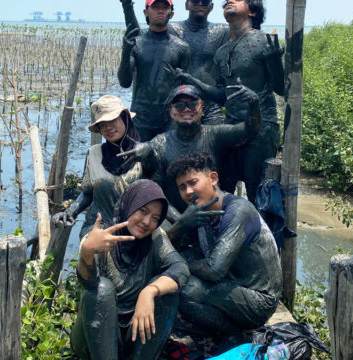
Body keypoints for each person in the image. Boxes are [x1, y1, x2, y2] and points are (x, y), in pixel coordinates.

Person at [169, 0, 285, 201]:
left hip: (261, 129)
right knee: (222, 190)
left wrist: (274, 61)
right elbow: (222, 96)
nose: (230, 1)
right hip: (232, 129)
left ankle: (260, 233)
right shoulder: (222, 51)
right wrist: (191, 80)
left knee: (257, 191)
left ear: (252, 11)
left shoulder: (262, 41)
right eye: (228, 0)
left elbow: (281, 89)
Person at [165, 152, 282, 337]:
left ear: (213, 178)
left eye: (193, 183)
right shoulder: (202, 211)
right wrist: (181, 225)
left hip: (258, 300)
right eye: (182, 187)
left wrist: (180, 266)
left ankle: (233, 335)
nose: (188, 192)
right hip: (232, 284)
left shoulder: (237, 211)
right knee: (177, 261)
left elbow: (214, 269)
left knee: (188, 289)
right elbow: (173, 249)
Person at [71, 180, 189, 360]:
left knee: (167, 291)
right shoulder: (104, 236)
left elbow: (180, 268)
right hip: (93, 341)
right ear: (130, 204)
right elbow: (88, 283)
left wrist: (149, 292)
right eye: (143, 211)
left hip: (134, 334)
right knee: (101, 289)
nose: (147, 222)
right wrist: (87, 251)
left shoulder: (155, 237)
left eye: (156, 218)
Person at [118, 84, 260, 215]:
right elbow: (154, 191)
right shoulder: (160, 143)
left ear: (201, 108)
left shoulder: (216, 134)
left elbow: (249, 131)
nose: (186, 109)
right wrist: (147, 150)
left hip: (212, 213)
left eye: (192, 104)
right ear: (171, 113)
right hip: (175, 217)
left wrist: (253, 103)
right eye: (180, 106)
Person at [115, 0, 229, 125]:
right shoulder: (172, 29)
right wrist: (127, 6)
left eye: (205, 0)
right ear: (186, 4)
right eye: (195, 0)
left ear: (212, 6)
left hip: (210, 105)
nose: (200, 3)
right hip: (181, 105)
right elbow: (138, 36)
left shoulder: (223, 32)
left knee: (211, 145)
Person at [51, 95, 144, 240]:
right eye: (102, 124)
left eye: (112, 120)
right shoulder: (94, 153)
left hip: (137, 227)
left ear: (125, 118)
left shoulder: (145, 153)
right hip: (98, 226)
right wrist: (70, 212)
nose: (108, 127)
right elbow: (88, 192)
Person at [117, 0, 191, 141]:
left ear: (171, 13)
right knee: (139, 164)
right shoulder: (136, 44)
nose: (160, 11)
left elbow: (184, 89)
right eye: (155, 7)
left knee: (168, 164)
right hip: (139, 120)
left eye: (165, 8)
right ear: (146, 12)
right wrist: (125, 52)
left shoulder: (182, 48)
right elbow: (124, 83)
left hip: (169, 120)